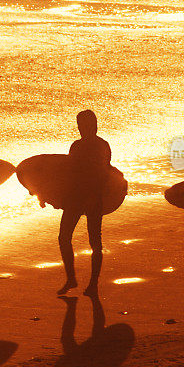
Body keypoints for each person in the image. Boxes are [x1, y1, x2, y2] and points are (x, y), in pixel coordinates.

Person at [56, 110, 111, 297]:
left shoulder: (102, 146)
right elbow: (68, 174)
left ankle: (93, 283)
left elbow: (105, 173)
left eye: (86, 125)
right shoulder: (76, 146)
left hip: (94, 198)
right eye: (79, 125)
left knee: (95, 242)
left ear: (94, 125)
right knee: (63, 237)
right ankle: (71, 278)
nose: (82, 128)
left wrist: (95, 196)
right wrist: (53, 197)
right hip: (74, 197)